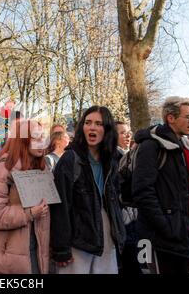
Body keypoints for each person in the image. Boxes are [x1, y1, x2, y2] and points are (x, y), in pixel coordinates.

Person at [132, 96, 189, 274]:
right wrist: (166, 226)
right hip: (160, 240)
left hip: (181, 237)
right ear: (171, 118)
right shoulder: (151, 146)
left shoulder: (186, 147)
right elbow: (142, 191)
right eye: (188, 116)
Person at [50, 106, 125, 274]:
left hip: (106, 235)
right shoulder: (70, 159)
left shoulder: (112, 159)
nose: (92, 127)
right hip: (78, 238)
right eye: (88, 122)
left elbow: (115, 200)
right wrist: (61, 249)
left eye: (98, 123)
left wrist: (119, 233)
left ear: (107, 129)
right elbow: (59, 206)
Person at [0, 119, 50, 274]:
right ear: (22, 140)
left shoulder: (44, 171)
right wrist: (29, 213)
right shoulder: (2, 170)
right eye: (36, 138)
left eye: (43, 137)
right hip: (4, 259)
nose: (41, 142)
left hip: (34, 254)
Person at [115, 121, 141, 275]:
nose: (128, 135)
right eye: (123, 132)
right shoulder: (114, 158)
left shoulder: (128, 155)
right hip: (124, 218)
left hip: (132, 217)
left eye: (129, 131)